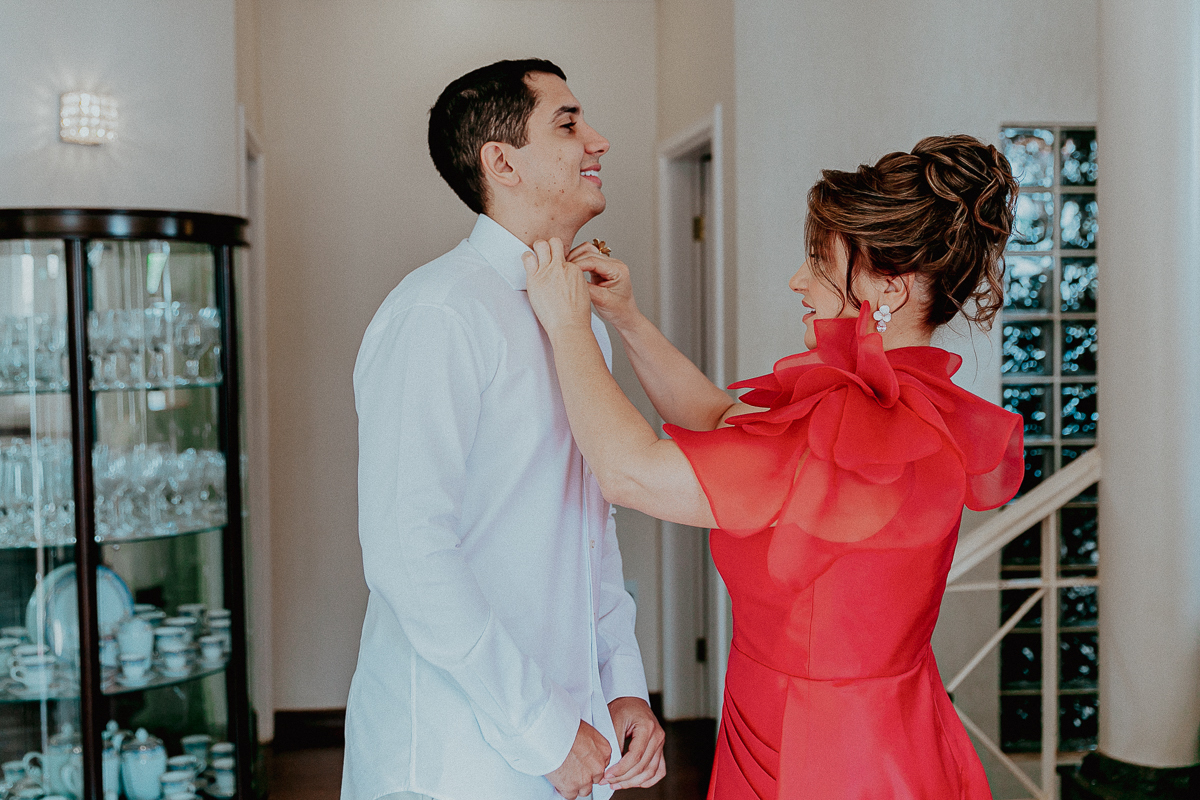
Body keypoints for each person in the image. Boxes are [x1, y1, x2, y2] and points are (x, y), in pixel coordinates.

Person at [522, 135, 1025, 798]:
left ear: (888, 288)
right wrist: (628, 320)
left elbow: (631, 472)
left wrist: (567, 326)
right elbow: (719, 421)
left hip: (819, 748)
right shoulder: (917, 415)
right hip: (892, 724)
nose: (798, 280)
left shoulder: (835, 431)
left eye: (819, 261)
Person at [343, 59, 664, 800]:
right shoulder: (438, 314)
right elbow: (408, 552)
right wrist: (542, 731)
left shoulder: (576, 320)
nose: (600, 140)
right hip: (456, 758)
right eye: (569, 122)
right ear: (501, 162)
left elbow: (592, 523)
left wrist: (621, 683)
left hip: (575, 734)